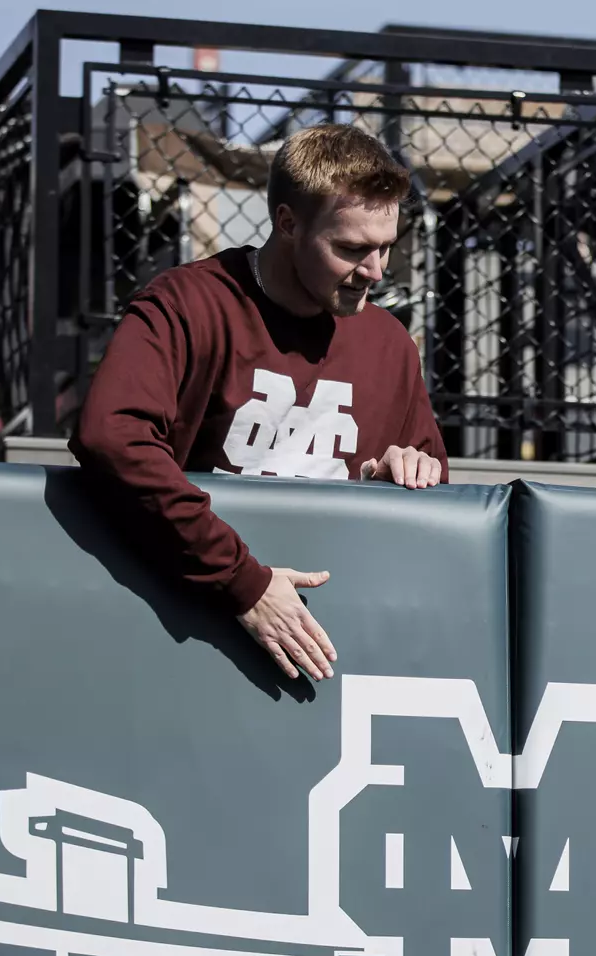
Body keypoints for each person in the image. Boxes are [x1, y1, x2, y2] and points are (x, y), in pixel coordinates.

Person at [70, 124, 447, 684]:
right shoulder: (188, 304)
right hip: (183, 623)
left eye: (386, 246)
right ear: (288, 224)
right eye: (351, 248)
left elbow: (435, 492)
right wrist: (242, 580)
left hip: (327, 647)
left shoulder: (388, 343)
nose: (375, 270)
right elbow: (112, 436)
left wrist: (407, 476)